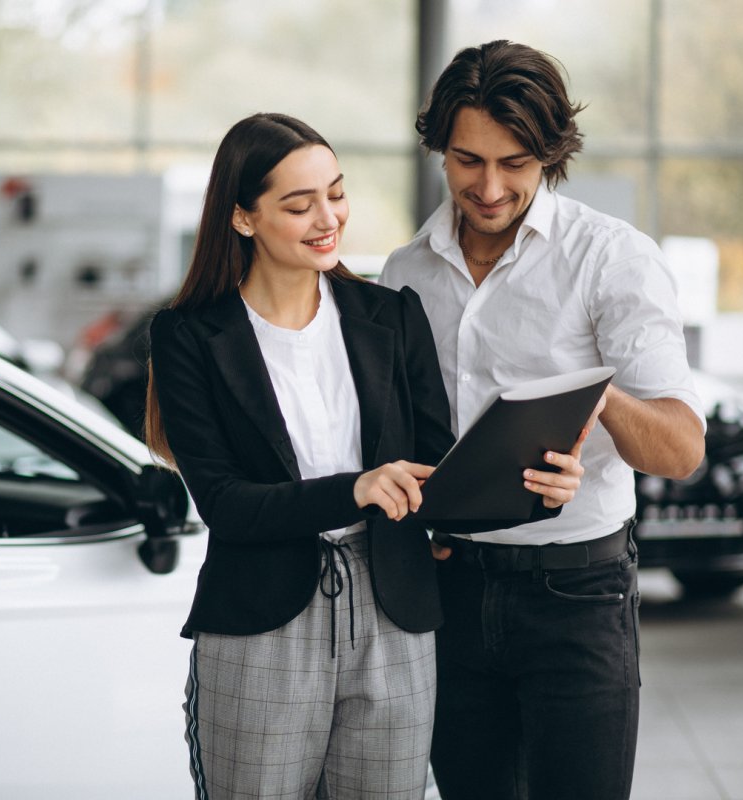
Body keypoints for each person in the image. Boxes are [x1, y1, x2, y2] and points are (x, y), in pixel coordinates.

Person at [144, 112, 586, 799]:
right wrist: (356, 488)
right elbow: (226, 507)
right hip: (261, 625)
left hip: (395, 613)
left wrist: (534, 489)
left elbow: (439, 472)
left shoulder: (391, 315)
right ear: (242, 218)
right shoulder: (189, 337)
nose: (328, 218)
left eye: (336, 193)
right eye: (299, 204)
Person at [380, 40, 708, 800]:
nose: (489, 187)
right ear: (439, 150)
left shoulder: (613, 261)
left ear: (551, 156)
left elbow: (681, 448)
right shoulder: (404, 274)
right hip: (450, 592)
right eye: (467, 161)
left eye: (515, 163)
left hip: (576, 597)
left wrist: (596, 399)